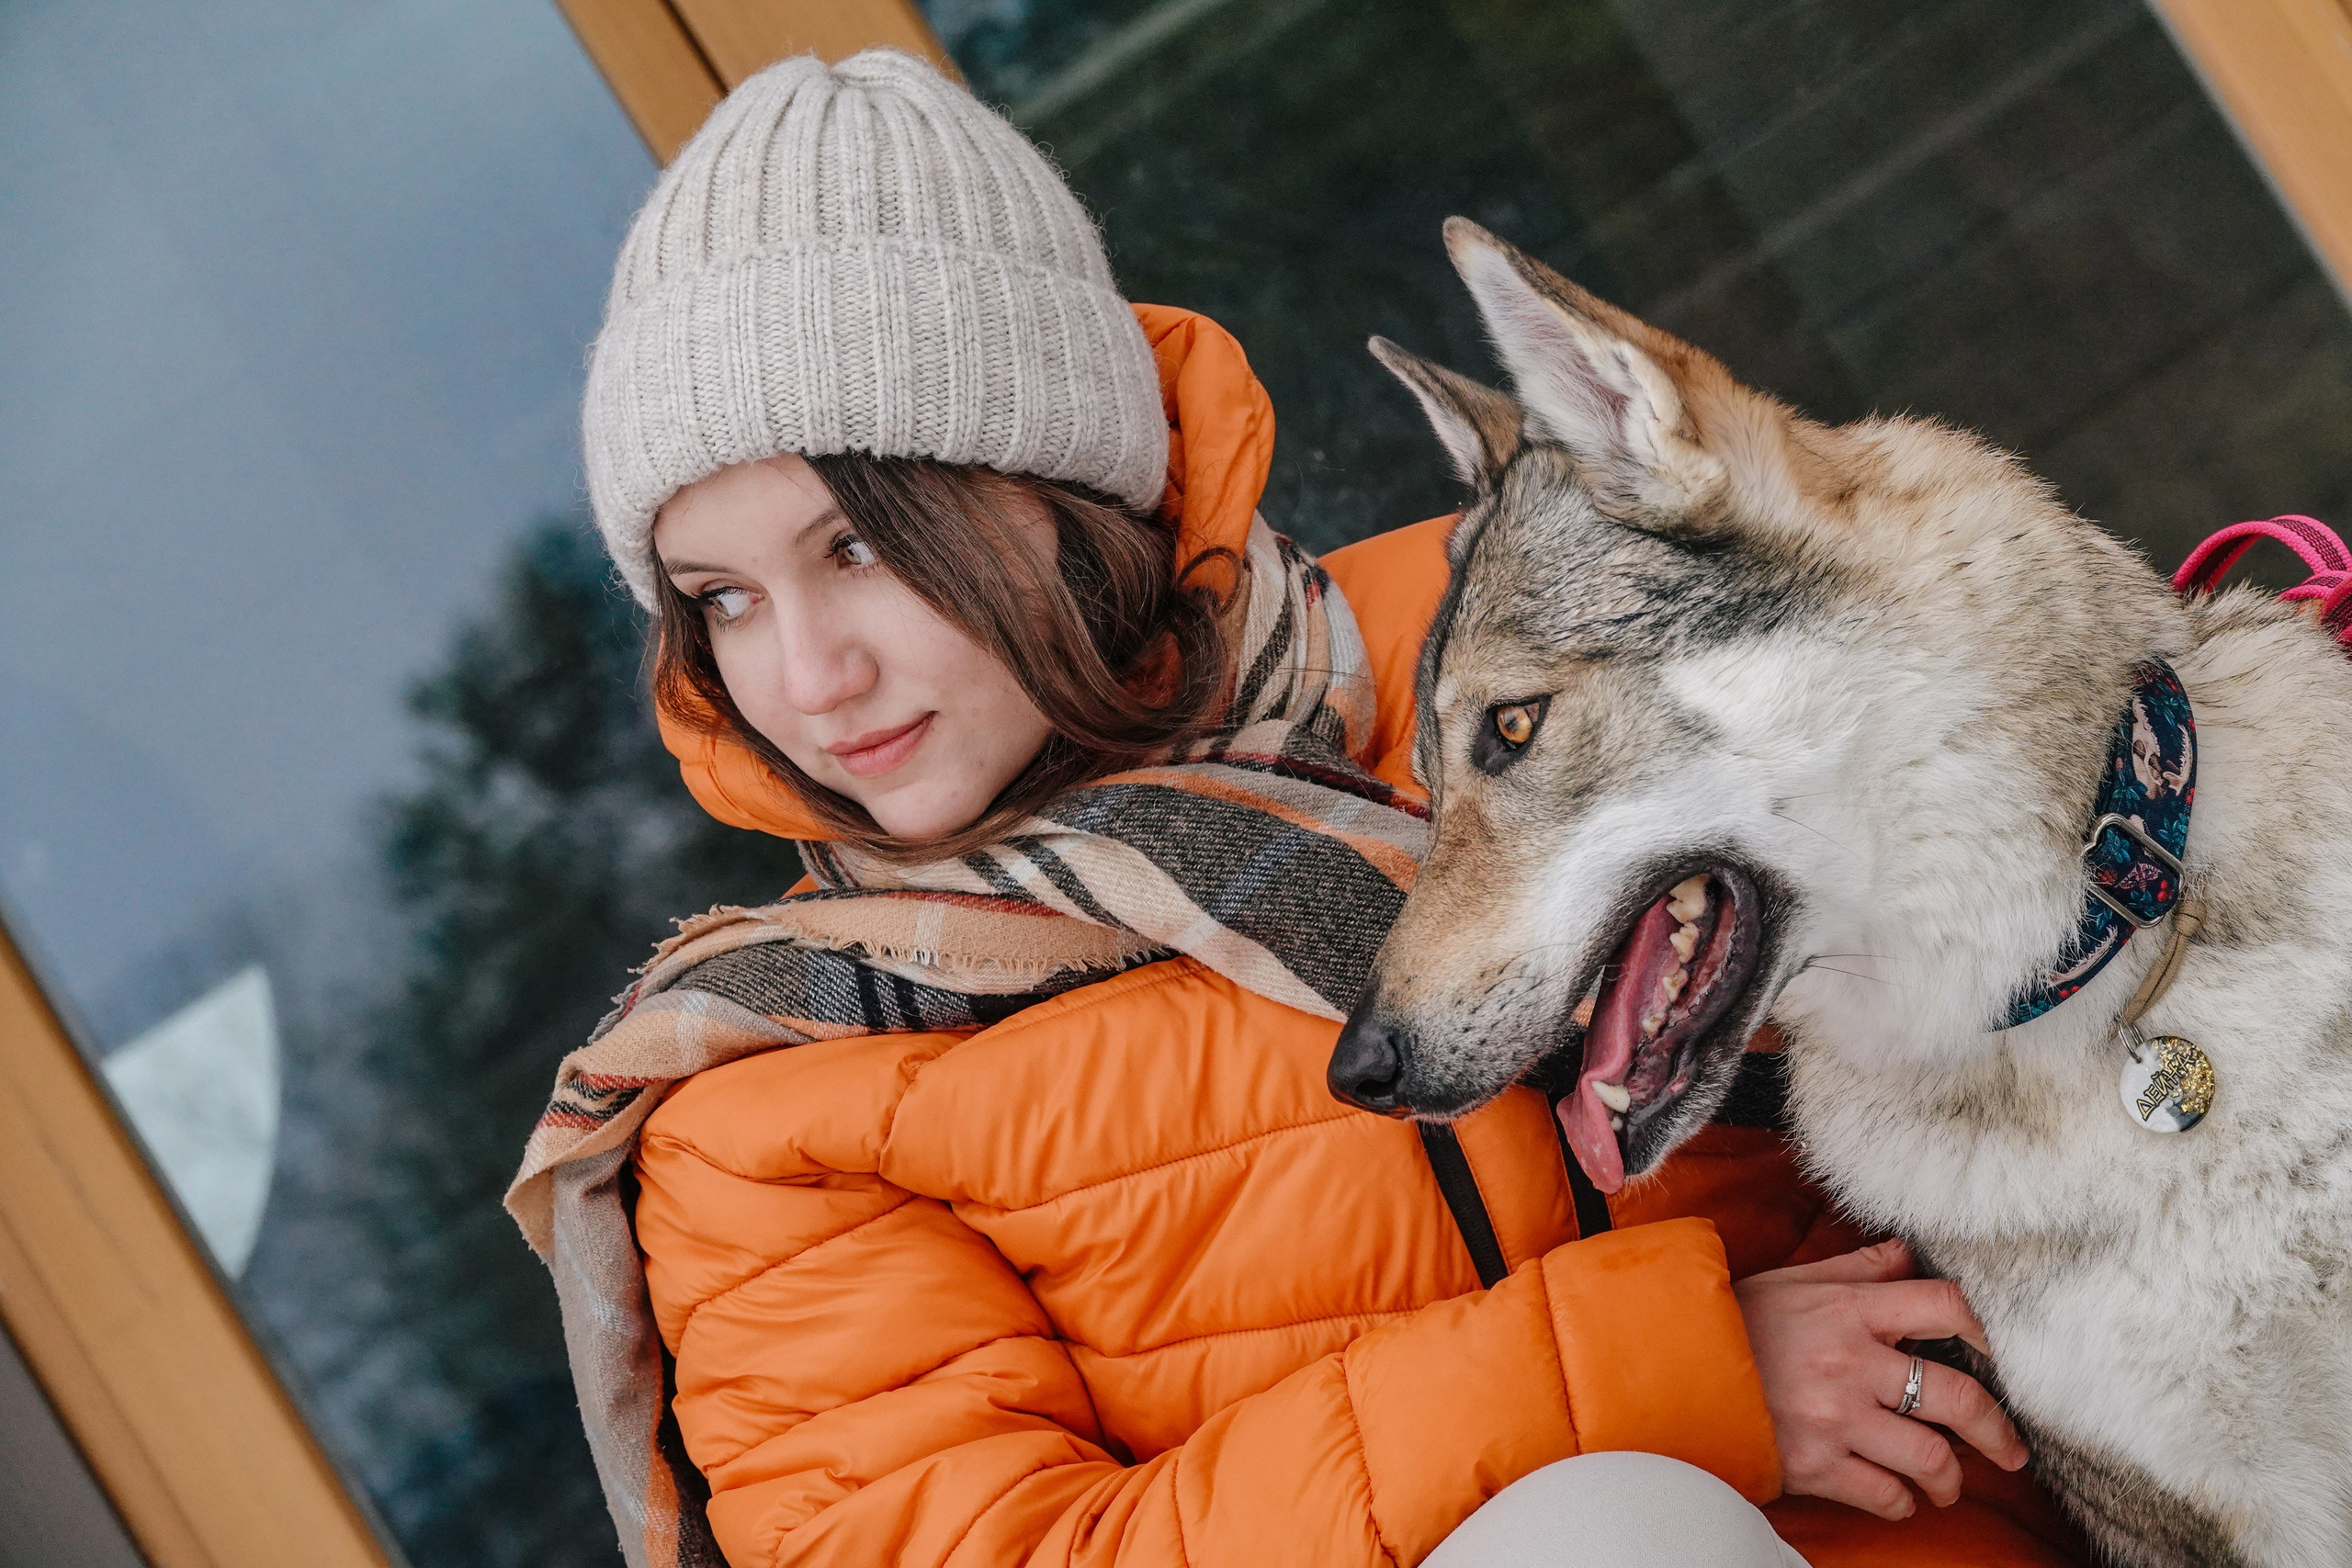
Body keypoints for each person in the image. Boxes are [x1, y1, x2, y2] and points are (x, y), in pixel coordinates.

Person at [506, 49, 2085, 1568]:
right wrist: (1664, 1375)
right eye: (720, 600)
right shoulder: (763, 1107)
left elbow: (2030, 909)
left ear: (1057, 485)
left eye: (856, 547)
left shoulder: (1490, 674)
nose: (806, 676)